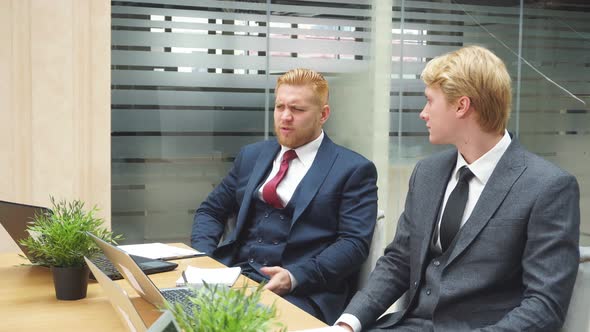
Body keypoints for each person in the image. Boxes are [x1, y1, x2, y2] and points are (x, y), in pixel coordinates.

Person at [335, 45, 580, 331]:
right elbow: (399, 261)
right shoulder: (428, 172)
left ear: (462, 106)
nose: (423, 114)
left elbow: (544, 307)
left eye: (430, 101)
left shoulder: (549, 187)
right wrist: (347, 324)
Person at [191, 68, 378, 324]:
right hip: (235, 277)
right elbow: (211, 211)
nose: (285, 117)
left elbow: (353, 244)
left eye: (297, 110)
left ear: (323, 114)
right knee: (162, 309)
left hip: (301, 292)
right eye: (280, 107)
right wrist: (204, 259)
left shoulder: (353, 169)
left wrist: (294, 276)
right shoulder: (252, 156)